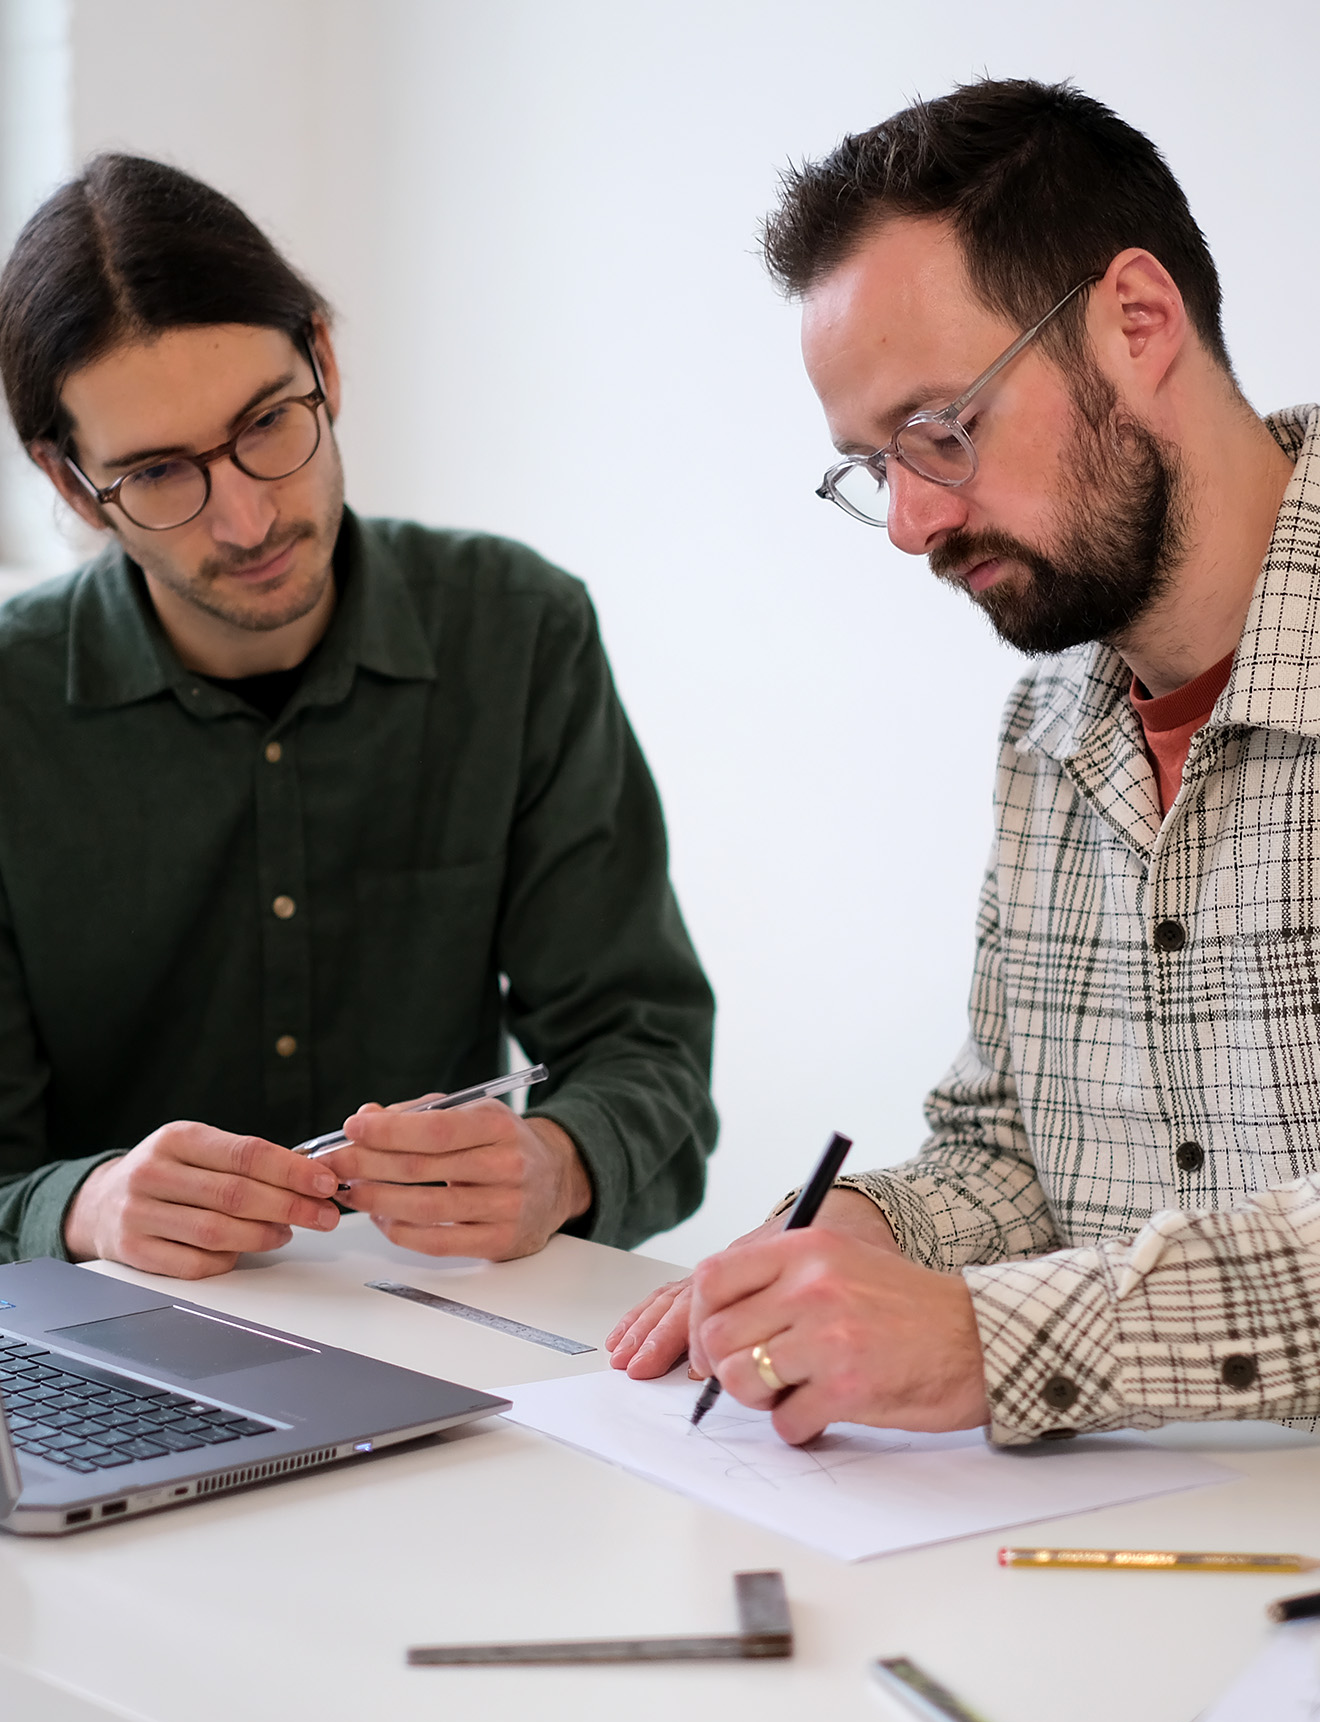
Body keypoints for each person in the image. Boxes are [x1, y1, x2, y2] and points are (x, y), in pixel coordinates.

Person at [609, 77, 1320, 1451]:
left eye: (942, 430)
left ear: (1136, 323)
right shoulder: (1048, 727)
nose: (911, 522)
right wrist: (867, 1229)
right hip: (1130, 1557)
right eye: (876, 466)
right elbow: (1018, 1164)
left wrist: (988, 1341)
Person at [0, 152, 716, 1284]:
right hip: (110, 1354)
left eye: (268, 424)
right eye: (157, 476)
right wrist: (86, 1206)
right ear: (68, 481)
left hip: (448, 1338)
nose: (244, 517)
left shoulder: (518, 631)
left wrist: (558, 1162)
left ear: (324, 358)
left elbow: (646, 1047)